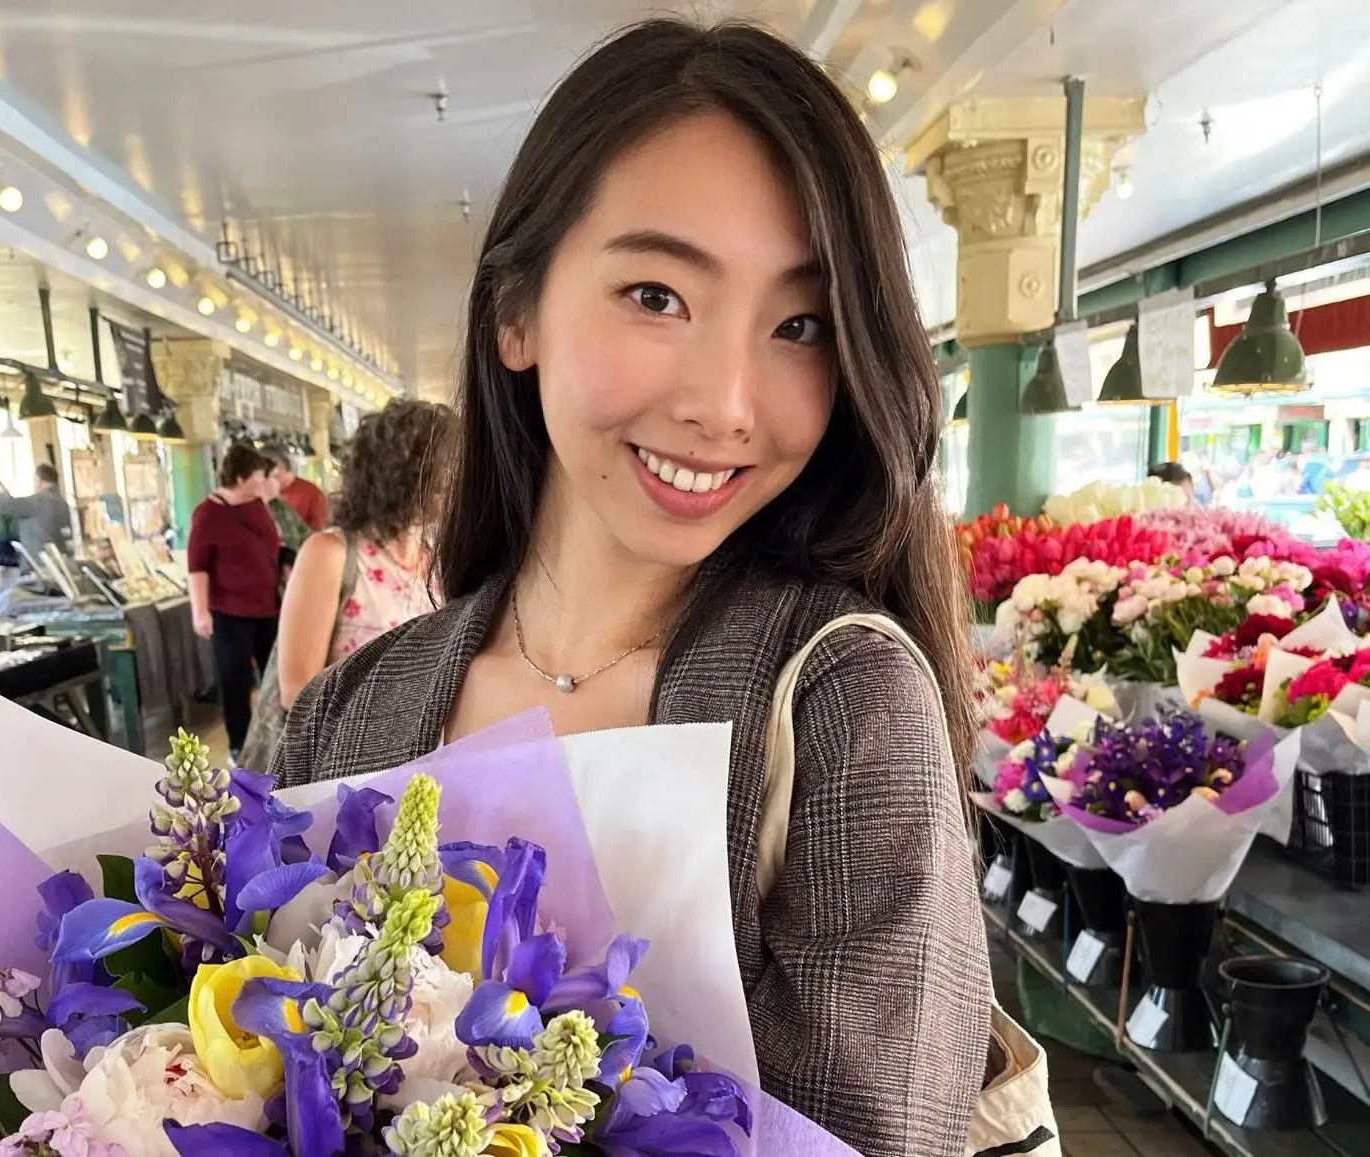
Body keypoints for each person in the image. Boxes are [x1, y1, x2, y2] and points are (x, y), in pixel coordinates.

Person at [272, 19, 989, 1155]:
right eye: (656, 295)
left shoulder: (836, 707)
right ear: (516, 312)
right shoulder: (345, 713)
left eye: (799, 324)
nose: (728, 403)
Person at [275, 399, 453, 710]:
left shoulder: (435, 561)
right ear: (404, 474)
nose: (455, 482)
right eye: (445, 471)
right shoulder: (331, 555)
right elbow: (296, 692)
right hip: (353, 751)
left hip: (422, 751)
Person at [187, 444, 282, 758]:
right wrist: (200, 611)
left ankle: (278, 739)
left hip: (268, 607)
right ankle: (239, 745)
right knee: (235, 680)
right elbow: (197, 568)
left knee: (275, 676)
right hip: (230, 612)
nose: (262, 481)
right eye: (258, 475)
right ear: (242, 477)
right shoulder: (208, 513)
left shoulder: (257, 505)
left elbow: (273, 545)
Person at [0, 463, 74, 563]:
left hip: (40, 567)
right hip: (61, 563)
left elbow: (3, 506)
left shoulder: (38, 502)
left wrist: (1, 491)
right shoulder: (63, 503)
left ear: (39, 481)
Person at [259, 456, 312, 558]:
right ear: (262, 480)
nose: (278, 482)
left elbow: (306, 534)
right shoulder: (250, 512)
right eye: (274, 477)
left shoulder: (280, 505)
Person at [270, 453, 327, 532]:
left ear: (283, 467)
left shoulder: (311, 493)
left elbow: (319, 530)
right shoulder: (264, 492)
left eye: (274, 475)